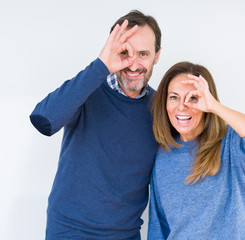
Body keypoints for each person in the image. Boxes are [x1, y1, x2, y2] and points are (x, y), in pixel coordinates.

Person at [30, 10, 161, 240]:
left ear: (156, 57)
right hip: (69, 232)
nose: (133, 64)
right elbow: (44, 120)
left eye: (143, 54)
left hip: (126, 235)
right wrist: (101, 65)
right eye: (124, 52)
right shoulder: (88, 90)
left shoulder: (162, 109)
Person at [148, 62, 245, 239]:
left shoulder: (230, 143)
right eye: (174, 97)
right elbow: (159, 228)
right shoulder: (163, 156)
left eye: (193, 98)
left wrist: (215, 106)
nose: (181, 106)